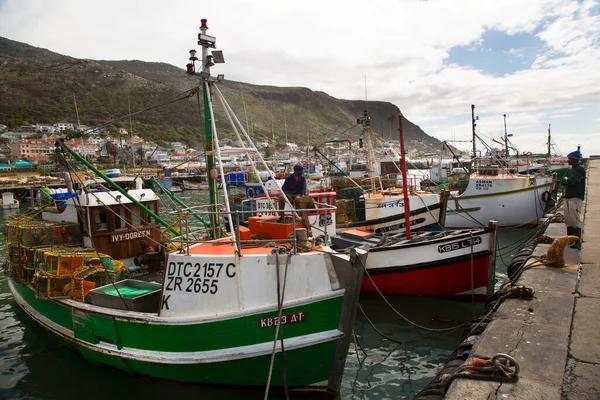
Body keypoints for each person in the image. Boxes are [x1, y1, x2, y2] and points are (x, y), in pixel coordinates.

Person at [562, 150, 586, 249]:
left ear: (574, 159)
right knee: (568, 219)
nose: (568, 160)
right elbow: (563, 181)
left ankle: (576, 241)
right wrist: (567, 180)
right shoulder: (569, 170)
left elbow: (571, 181)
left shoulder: (580, 170)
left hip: (576, 198)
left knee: (575, 220)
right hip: (567, 197)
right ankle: (570, 239)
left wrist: (568, 180)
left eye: (569, 159)